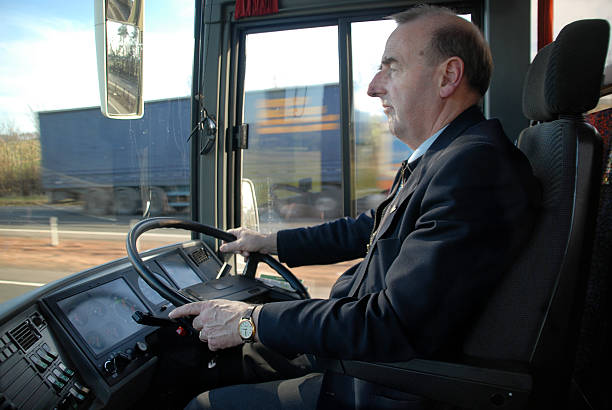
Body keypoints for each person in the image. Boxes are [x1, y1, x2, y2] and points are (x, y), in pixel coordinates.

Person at [169, 5, 541, 409]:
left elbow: (392, 324)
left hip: (381, 380)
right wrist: (270, 241)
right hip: (360, 351)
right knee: (207, 361)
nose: (373, 87)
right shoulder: (447, 155)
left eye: (391, 67)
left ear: (447, 76)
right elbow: (373, 227)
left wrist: (248, 321)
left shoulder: (473, 166)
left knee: (202, 403)